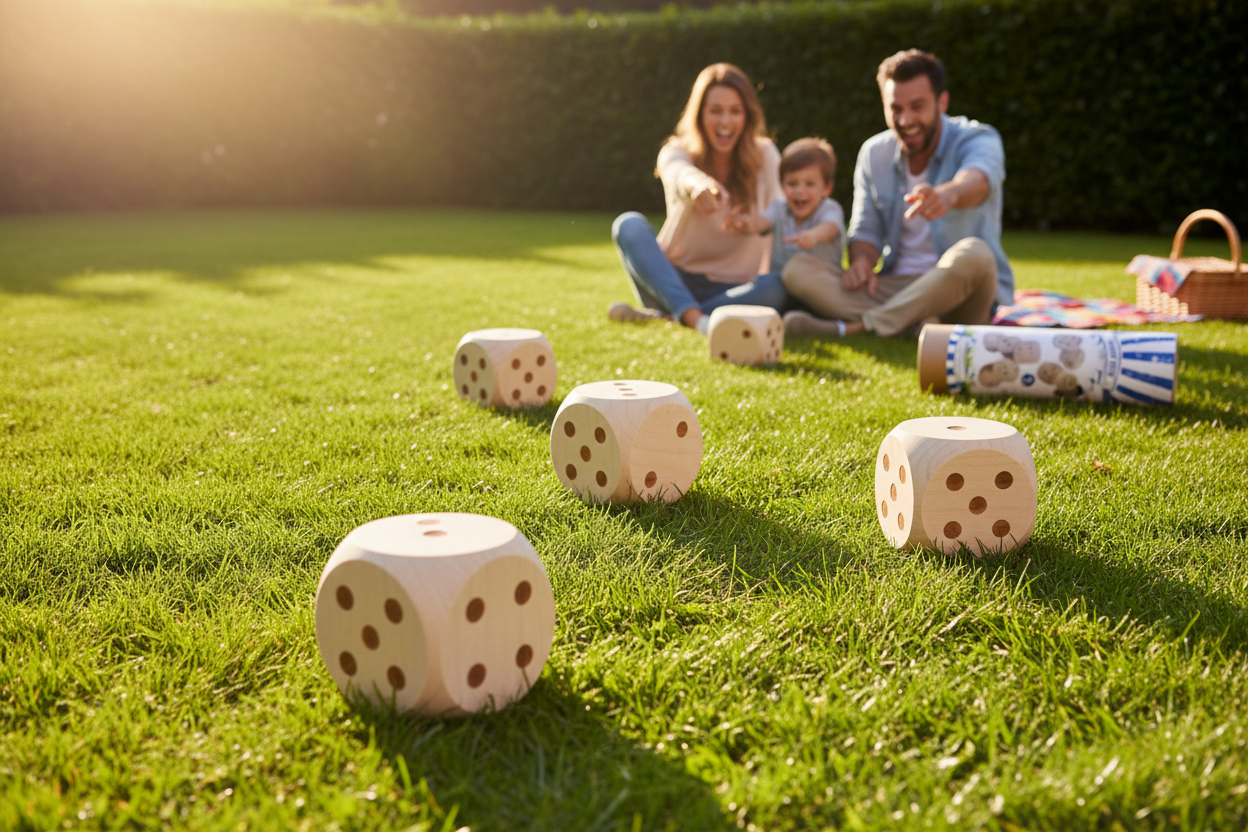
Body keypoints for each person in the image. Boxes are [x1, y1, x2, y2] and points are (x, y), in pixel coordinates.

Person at [782, 49, 1014, 339]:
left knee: (977, 254)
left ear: (942, 102)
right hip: (897, 286)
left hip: (962, 289)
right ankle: (918, 323)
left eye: (917, 107)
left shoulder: (978, 137)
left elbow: (979, 179)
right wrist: (862, 263)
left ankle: (858, 327)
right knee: (797, 269)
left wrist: (947, 195)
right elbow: (865, 230)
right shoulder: (874, 153)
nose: (905, 120)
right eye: (896, 109)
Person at [609, 63, 787, 333]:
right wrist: (698, 185)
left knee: (776, 287)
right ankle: (695, 318)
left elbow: (780, 215)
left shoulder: (766, 155)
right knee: (627, 225)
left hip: (736, 288)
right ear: (700, 114)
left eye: (735, 111)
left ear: (748, 116)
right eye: (715, 111)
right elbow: (678, 173)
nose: (725, 122)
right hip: (674, 280)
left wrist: (754, 225)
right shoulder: (676, 150)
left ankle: (673, 314)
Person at [724, 137, 844, 282]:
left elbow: (830, 227)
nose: (800, 191)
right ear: (782, 185)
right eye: (792, 184)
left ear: (827, 188)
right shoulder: (779, 209)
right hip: (780, 285)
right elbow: (763, 222)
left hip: (819, 285)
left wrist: (813, 235)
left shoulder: (829, 209)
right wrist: (746, 224)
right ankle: (704, 305)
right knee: (763, 284)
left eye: (809, 184)